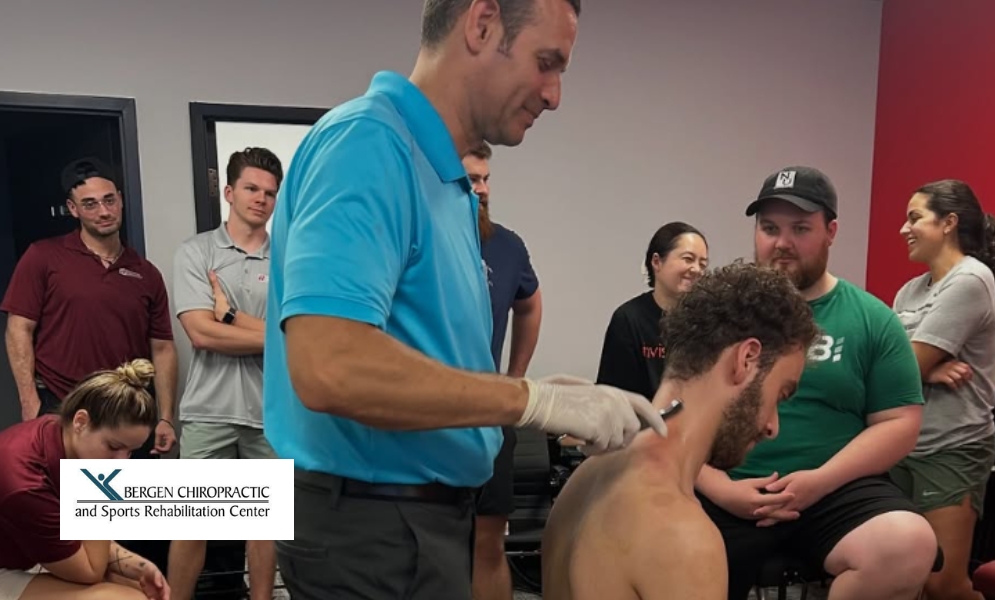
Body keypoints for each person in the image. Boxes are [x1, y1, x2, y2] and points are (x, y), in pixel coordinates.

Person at [261, 1, 665, 599]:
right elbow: (331, 368)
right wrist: (529, 399)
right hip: (373, 529)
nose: (554, 95)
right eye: (546, 62)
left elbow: (418, 349)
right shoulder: (368, 147)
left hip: (423, 523)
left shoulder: (446, 182)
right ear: (481, 24)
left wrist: (547, 391)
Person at [696, 166, 939, 600]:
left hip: (834, 490)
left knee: (908, 542)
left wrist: (820, 480)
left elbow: (900, 421)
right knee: (652, 543)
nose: (782, 243)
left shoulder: (872, 318)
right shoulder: (715, 316)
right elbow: (672, 417)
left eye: (801, 229)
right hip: (728, 487)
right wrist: (722, 489)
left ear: (831, 231)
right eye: (769, 228)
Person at [542, 261, 819, 600]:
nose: (773, 426)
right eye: (780, 395)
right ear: (746, 359)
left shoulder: (586, 477)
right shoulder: (683, 536)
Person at [890, 179, 995, 600]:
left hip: (951, 449)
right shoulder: (909, 291)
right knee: (904, 577)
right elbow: (887, 365)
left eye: (914, 218)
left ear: (948, 223)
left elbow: (898, 366)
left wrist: (913, 367)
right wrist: (927, 372)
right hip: (904, 447)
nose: (903, 229)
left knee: (943, 584)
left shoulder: (971, 279)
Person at [1, 157, 177, 459]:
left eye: (109, 200)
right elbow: (19, 329)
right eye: (91, 204)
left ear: (121, 199)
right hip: (62, 405)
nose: (104, 211)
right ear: (73, 209)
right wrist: (30, 402)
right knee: (64, 502)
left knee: (126, 501)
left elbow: (162, 349)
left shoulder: (145, 272)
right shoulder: (43, 257)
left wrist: (165, 416)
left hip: (128, 406)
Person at [167, 148, 283, 600]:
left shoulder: (287, 259)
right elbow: (200, 334)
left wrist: (230, 317)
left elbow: (301, 332)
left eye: (270, 192)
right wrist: (280, 339)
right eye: (252, 189)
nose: (261, 199)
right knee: (194, 523)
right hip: (209, 410)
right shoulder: (197, 252)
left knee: (266, 525)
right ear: (230, 193)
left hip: (271, 412)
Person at [0, 359, 171, 600]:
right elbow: (90, 570)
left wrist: (140, 566)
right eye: (113, 446)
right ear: (81, 421)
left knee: (136, 587)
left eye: (130, 452)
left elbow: (71, 540)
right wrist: (99, 494)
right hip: (7, 567)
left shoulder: (58, 431)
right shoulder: (27, 482)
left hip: (22, 553)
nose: (122, 463)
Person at [464, 141, 543, 600]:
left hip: (488, 416)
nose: (482, 189)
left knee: (487, 542)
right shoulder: (201, 257)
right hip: (211, 419)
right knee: (432, 540)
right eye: (472, 180)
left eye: (486, 179)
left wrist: (515, 378)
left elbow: (530, 303)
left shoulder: (506, 245)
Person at [597, 221, 708, 398]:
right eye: (688, 259)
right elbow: (613, 397)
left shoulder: (709, 322)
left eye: (703, 264)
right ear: (657, 262)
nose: (697, 270)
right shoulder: (628, 319)